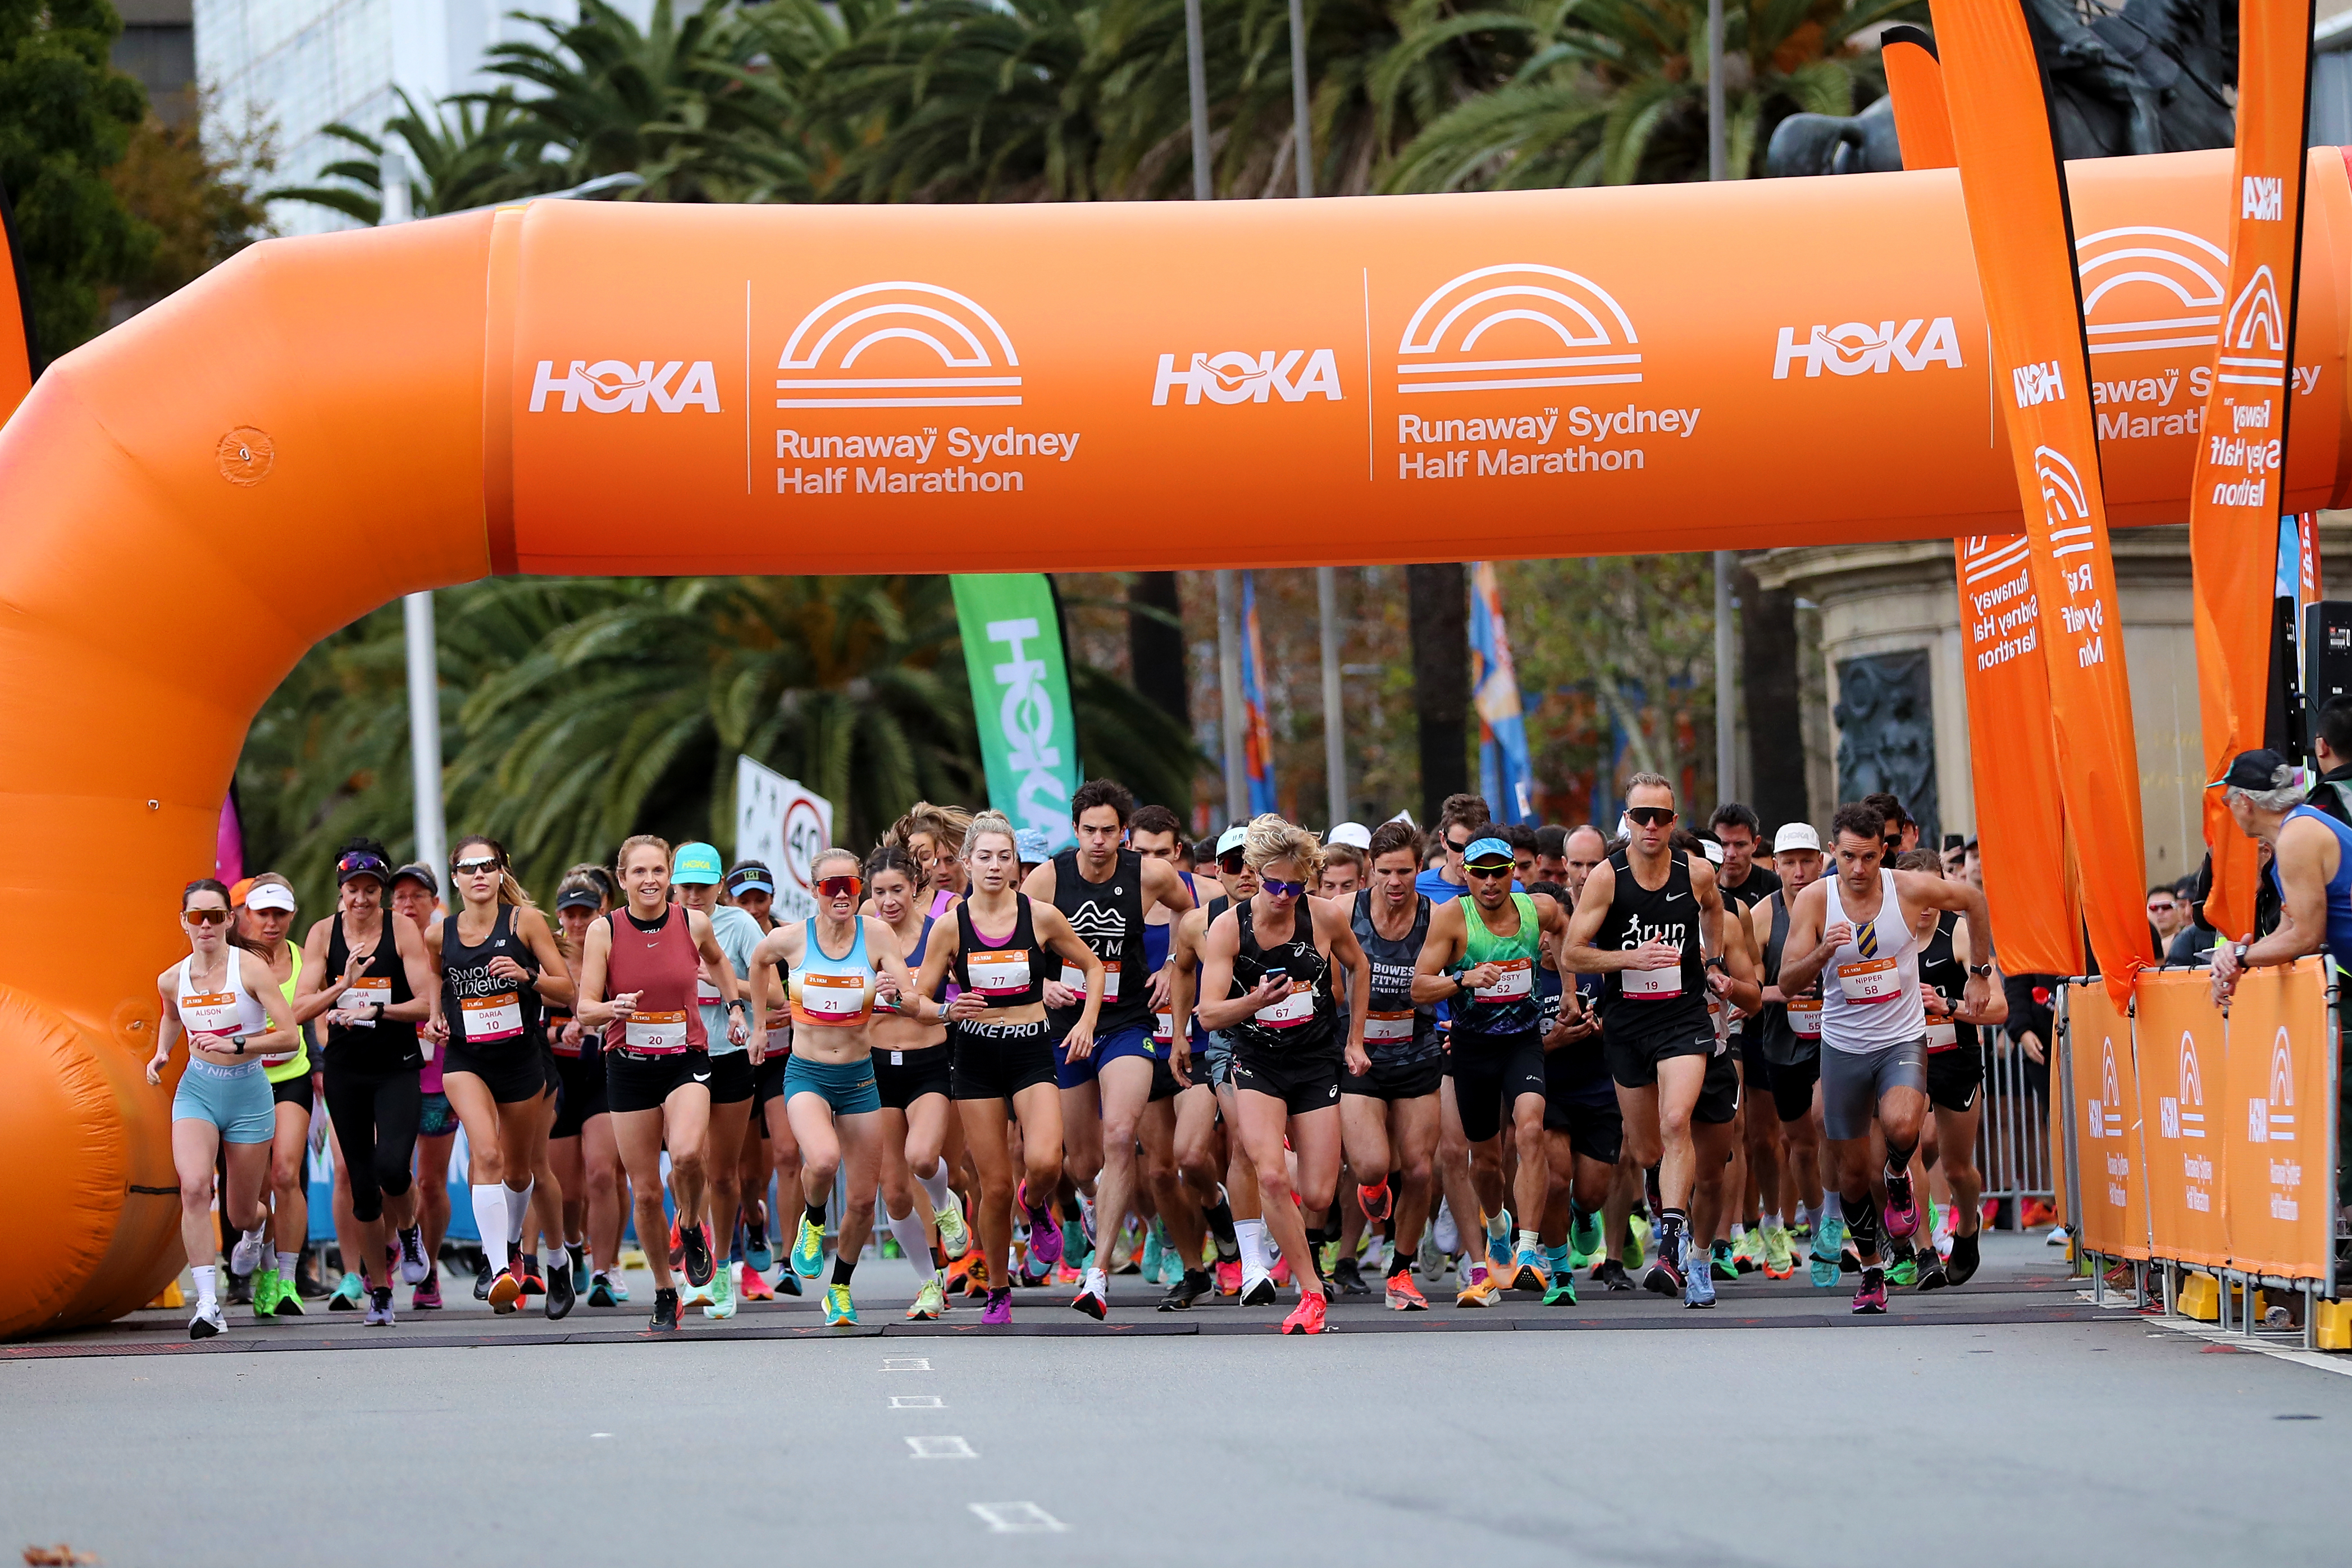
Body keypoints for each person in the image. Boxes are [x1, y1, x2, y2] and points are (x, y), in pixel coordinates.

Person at [1776, 801, 1995, 1314]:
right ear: (1834, 852)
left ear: (1883, 854)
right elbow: (1787, 983)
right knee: (1853, 1174)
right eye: (1848, 857)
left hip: (1901, 1038)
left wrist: (1981, 971)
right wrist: (1820, 956)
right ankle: (1873, 1269)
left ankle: (1899, 1174)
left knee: (1901, 1127)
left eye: (1869, 858)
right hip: (1844, 1047)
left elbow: (1974, 900)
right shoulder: (1814, 901)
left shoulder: (1907, 888)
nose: (1858, 869)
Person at [911, 812, 1105, 1325]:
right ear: (968, 864)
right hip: (974, 1056)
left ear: (1016, 863)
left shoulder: (1039, 916)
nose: (995, 867)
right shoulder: (951, 927)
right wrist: (946, 1011)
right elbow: (919, 999)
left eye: (1004, 857)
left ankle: (1036, 1203)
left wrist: (1085, 1021)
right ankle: (999, 1288)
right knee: (993, 1186)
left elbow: (1093, 966)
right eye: (985, 857)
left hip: (1030, 1049)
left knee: (1043, 1161)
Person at [1022, 779, 1195, 1320]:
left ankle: (1097, 1275)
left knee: (1122, 1135)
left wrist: (1171, 965)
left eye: (1110, 831)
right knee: (1083, 1163)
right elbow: (1012, 942)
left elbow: (1188, 918)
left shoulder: (1150, 873)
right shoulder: (1048, 878)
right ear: (1075, 832)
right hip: (1065, 1025)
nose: (1099, 841)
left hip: (1126, 1024)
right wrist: (1040, 984)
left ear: (1124, 833)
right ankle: (1080, 1207)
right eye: (1089, 831)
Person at [1194, 815, 1371, 1333]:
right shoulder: (1229, 928)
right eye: (1274, 884)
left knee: (1318, 1195)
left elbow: (1358, 967)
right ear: (1253, 874)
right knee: (1270, 1174)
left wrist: (1355, 1040)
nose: (1284, 895)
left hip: (1315, 1061)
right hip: (1257, 1062)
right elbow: (1208, 1015)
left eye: (1296, 886)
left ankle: (1321, 1205)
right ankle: (1311, 1292)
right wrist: (1254, 1001)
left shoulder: (1323, 919)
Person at [573, 835, 749, 1333]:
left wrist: (735, 1004)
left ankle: (692, 1226)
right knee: (647, 1192)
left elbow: (717, 962)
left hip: (685, 1058)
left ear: (668, 876)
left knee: (691, 1153)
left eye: (658, 871)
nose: (650, 881)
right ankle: (663, 1289)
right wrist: (613, 1009)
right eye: (639, 872)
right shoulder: (604, 931)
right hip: (628, 1065)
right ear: (623, 878)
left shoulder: (692, 922)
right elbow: (586, 1007)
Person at [1560, 773, 1724, 1301]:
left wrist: (1714, 960)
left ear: (1674, 823)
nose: (1651, 826)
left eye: (1662, 817)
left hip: (1683, 1018)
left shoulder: (1696, 872)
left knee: (1678, 1122)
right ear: (1625, 820)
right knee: (1649, 1147)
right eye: (1641, 816)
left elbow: (1715, 911)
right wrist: (1632, 957)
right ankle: (1665, 1197)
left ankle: (1674, 1252)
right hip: (1627, 1024)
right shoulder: (1608, 877)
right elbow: (1572, 953)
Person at [745, 846, 924, 1328]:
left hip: (861, 1077)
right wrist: (760, 1025)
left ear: (859, 888)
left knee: (865, 1201)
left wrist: (896, 992)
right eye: (831, 886)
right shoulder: (792, 940)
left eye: (850, 884)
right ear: (814, 891)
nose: (842, 894)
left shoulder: (878, 935)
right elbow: (758, 962)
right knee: (822, 1160)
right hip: (807, 1074)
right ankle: (813, 1218)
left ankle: (839, 1289)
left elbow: (909, 997)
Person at [1414, 834, 1574, 1303]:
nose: (1489, 882)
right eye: (1479, 873)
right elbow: (1419, 988)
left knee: (1530, 1129)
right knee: (1483, 1162)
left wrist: (1566, 987)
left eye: (1498, 872)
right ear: (1465, 874)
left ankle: (1527, 1251)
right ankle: (1498, 1230)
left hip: (1522, 1044)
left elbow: (1565, 925)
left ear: (1513, 874)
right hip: (1472, 1048)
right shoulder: (1452, 918)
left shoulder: (1535, 909)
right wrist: (1462, 978)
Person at [426, 836, 576, 1319]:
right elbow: (436, 978)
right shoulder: (439, 934)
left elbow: (567, 992)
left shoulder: (524, 922)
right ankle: (500, 1269)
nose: (479, 875)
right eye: (468, 868)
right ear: (456, 879)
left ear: (499, 872)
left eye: (487, 866)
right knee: (486, 1154)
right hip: (467, 1061)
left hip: (521, 1061)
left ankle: (556, 1260)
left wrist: (525, 976)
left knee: (526, 1171)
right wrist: (435, 1015)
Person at [151, 878, 304, 1338]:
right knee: (195, 1187)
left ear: (229, 920)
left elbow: (290, 1036)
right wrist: (162, 1051)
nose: (206, 926)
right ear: (183, 922)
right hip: (197, 1089)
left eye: (215, 916)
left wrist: (236, 1042)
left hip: (249, 1093)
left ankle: (258, 1235)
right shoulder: (172, 978)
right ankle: (207, 1305)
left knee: (243, 1213)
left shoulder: (252, 970)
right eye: (196, 917)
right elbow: (172, 1014)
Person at [297, 840, 439, 1325]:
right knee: (361, 1188)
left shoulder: (400, 930)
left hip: (396, 1065)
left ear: (381, 891)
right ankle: (380, 1290)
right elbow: (298, 1008)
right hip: (346, 1072)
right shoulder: (322, 935)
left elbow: (426, 1004)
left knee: (393, 1168)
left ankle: (411, 1229)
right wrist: (342, 986)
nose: (362, 899)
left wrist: (376, 1008)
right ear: (341, 892)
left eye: (371, 890)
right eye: (353, 890)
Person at [863, 844, 972, 1323]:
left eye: (898, 891)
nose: (889, 901)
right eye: (879, 892)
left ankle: (946, 1205)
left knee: (924, 1158)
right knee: (894, 1193)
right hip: (876, 1066)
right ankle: (930, 1283)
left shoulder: (938, 932)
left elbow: (968, 979)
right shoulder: (860, 938)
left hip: (930, 1059)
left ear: (915, 888)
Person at [1341, 819, 1446, 1310]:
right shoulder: (1345, 912)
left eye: (1405, 871)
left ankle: (1401, 1274)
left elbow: (1469, 961)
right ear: (1369, 871)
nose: (1395, 882)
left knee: (1422, 1170)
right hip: (1360, 1054)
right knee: (1372, 1164)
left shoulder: (1437, 916)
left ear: (1419, 868)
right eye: (1385, 872)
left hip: (1418, 1048)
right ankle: (1375, 1185)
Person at [1899, 848, 2007, 1288]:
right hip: (1905, 1060)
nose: (1926, 903)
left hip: (1955, 1059)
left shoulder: (1959, 933)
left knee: (1959, 1168)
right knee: (1907, 1150)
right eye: (1916, 893)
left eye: (1935, 892)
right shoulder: (1886, 935)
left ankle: (1967, 1226)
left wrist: (1950, 1005)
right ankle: (1925, 1254)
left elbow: (1998, 1008)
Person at [667, 841, 763, 1321]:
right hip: (678, 1058)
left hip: (729, 1058)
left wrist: (725, 986)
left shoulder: (739, 925)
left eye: (704, 887)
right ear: (672, 886)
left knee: (724, 1174)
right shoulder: (658, 925)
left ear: (720, 886)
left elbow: (772, 991)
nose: (695, 896)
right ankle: (691, 1257)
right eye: (686, 887)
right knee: (687, 1163)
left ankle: (722, 1266)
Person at [1130, 804, 1216, 1310]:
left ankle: (1218, 1206)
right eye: (1141, 853)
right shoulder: (1120, 899)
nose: (1152, 863)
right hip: (1141, 1043)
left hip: (1197, 1043)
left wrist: (1172, 963)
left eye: (1161, 853)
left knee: (1190, 1156)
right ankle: (1193, 1269)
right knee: (1160, 1171)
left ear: (1178, 853)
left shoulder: (1205, 897)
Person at [1745, 823, 1829, 1283]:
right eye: (1789, 863)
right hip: (1781, 1041)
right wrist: (1790, 989)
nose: (1799, 872)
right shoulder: (1762, 915)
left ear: (1821, 861)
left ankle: (1837, 1221)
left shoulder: (1840, 904)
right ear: (1775, 865)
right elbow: (1753, 987)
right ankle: (1818, 1228)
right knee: (1798, 1141)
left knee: (1829, 1122)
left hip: (1837, 1039)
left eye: (1807, 861)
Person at [234, 874, 313, 1318]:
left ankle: (285, 1278)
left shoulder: (304, 961)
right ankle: (258, 1257)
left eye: (280, 914)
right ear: (248, 915)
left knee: (286, 1174)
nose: (271, 922)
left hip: (291, 1076)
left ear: (291, 916)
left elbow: (312, 1014)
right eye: (263, 913)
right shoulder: (232, 962)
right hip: (244, 1081)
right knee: (258, 1186)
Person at [546, 874, 624, 1306]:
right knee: (567, 1189)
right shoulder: (546, 956)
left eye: (585, 913)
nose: (577, 923)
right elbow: (526, 1018)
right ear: (559, 915)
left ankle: (602, 1273)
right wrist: (560, 1033)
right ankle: (573, 1245)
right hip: (557, 1078)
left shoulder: (612, 952)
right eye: (570, 914)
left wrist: (598, 1021)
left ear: (599, 913)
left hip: (603, 1074)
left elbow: (634, 1005)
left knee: (601, 1173)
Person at [384, 862, 455, 1309]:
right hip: (389, 1076)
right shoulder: (376, 946)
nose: (408, 905)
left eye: (417, 897)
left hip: (439, 1078)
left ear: (434, 903)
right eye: (401, 898)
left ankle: (428, 1267)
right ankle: (395, 1249)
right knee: (388, 1173)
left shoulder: (452, 944)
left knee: (431, 1183)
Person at [1416, 794, 1489, 905]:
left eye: (1474, 849)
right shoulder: (1417, 889)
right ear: (1443, 840)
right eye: (1458, 847)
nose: (1465, 857)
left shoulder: (1509, 890)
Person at [1709, 804, 1779, 910]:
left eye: (1740, 845)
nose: (1731, 854)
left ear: (1755, 843)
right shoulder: (1700, 886)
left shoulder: (1774, 888)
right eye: (1724, 844)